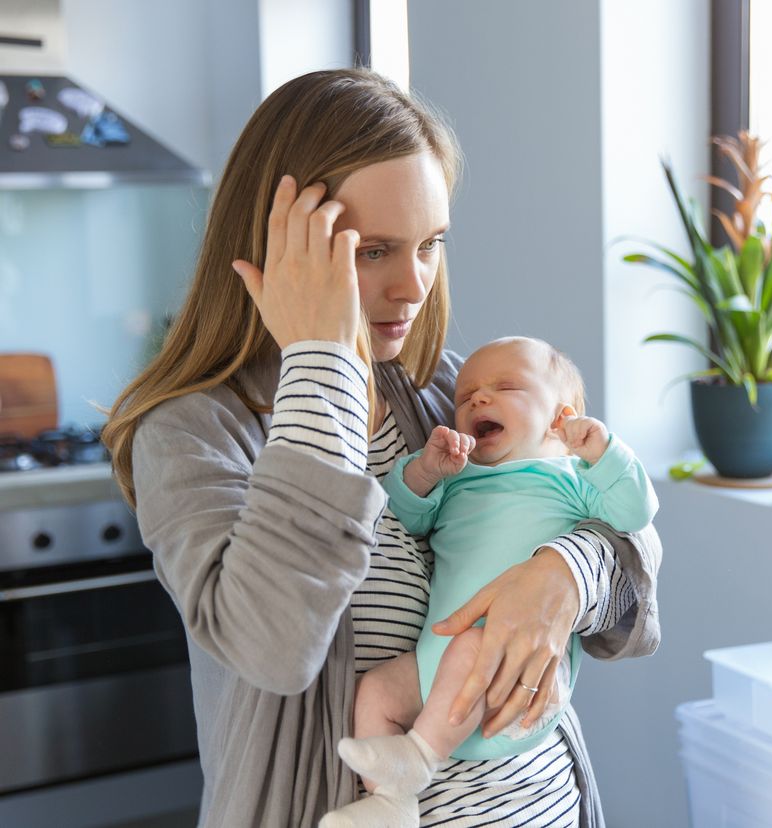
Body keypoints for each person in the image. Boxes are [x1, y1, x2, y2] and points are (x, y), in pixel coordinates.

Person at [102, 68, 662, 828]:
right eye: (373, 252)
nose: (414, 285)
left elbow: (632, 560)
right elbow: (274, 645)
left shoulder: (446, 397)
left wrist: (563, 575)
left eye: (431, 244)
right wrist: (320, 363)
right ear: (279, 249)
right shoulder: (192, 434)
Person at [324, 336, 658, 827]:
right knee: (373, 694)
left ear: (560, 418)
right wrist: (423, 472)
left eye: (505, 387)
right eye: (466, 397)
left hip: (508, 673)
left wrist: (604, 454)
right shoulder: (459, 478)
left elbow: (635, 518)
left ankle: (418, 757)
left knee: (470, 646)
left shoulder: (571, 477)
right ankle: (390, 802)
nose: (478, 399)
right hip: (431, 670)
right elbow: (404, 518)